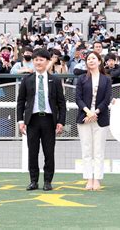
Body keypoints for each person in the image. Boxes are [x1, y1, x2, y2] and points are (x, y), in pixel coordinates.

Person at [17, 48, 66, 191]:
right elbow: (21, 102)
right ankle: (33, 180)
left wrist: (60, 121)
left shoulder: (55, 80)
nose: (38, 62)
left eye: (41, 60)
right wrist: (21, 121)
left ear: (48, 61)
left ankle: (48, 181)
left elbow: (61, 103)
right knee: (32, 151)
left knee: (49, 152)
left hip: (49, 120)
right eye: (36, 60)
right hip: (32, 120)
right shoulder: (27, 80)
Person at [75, 51, 112, 190]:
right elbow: (78, 98)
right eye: (88, 59)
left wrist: (95, 112)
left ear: (99, 61)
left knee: (98, 150)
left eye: (93, 58)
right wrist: (88, 112)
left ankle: (97, 178)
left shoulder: (106, 79)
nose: (91, 61)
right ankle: (88, 178)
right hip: (84, 117)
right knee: (86, 149)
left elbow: (106, 99)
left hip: (100, 117)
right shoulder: (82, 79)